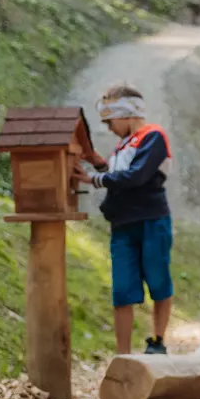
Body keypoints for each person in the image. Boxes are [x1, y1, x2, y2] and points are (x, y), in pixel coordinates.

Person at [72, 83, 174, 356]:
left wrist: (95, 179)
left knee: (158, 280)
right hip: (122, 225)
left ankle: (158, 341)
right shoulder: (121, 147)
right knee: (122, 290)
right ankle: (123, 354)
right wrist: (98, 164)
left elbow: (136, 176)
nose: (108, 127)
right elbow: (119, 174)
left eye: (110, 121)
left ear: (127, 113)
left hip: (151, 219)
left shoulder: (153, 136)